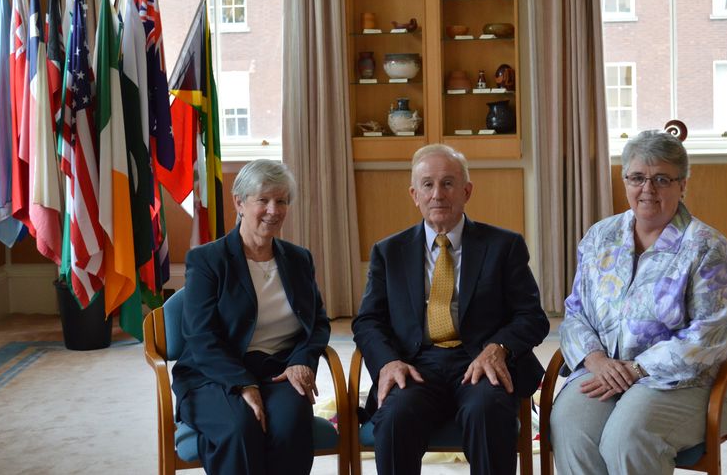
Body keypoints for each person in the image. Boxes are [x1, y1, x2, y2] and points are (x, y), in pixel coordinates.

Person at [550, 130, 727, 475]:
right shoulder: (600, 236)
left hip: (691, 379)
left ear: (683, 183)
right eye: (637, 178)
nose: (648, 189)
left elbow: (708, 338)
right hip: (607, 371)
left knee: (626, 438)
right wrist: (595, 359)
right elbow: (576, 312)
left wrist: (637, 369)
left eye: (662, 179)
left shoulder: (707, 247)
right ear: (624, 180)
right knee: (569, 425)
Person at [352, 144, 550, 475]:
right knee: (395, 415)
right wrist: (387, 363)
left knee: (487, 411)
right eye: (427, 185)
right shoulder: (389, 251)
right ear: (414, 194)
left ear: (467, 191)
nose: (437, 194)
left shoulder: (504, 245)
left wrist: (498, 349)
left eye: (448, 183)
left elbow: (532, 317)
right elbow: (368, 320)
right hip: (416, 363)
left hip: (480, 362)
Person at [172, 159, 330, 475]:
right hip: (213, 375)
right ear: (239, 202)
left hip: (278, 371)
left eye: (282, 200)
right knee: (241, 427)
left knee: (289, 427)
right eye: (264, 200)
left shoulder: (298, 259)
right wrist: (242, 382)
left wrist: (302, 360)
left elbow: (318, 324)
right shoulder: (207, 260)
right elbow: (200, 336)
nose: (274, 210)